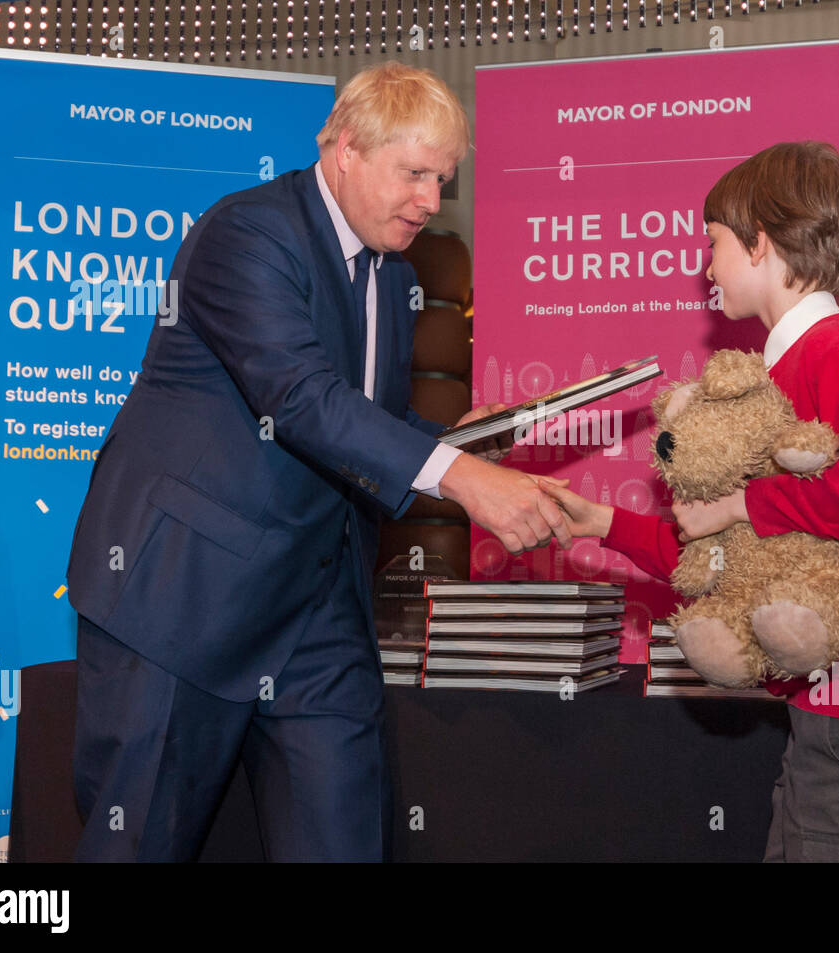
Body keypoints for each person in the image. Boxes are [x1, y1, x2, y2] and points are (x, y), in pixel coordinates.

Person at [65, 62, 568, 862]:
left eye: (443, 180)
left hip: (318, 611)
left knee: (341, 838)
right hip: (181, 598)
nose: (431, 202)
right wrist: (461, 479)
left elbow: (360, 415)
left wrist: (461, 441)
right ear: (344, 152)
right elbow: (297, 398)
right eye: (414, 174)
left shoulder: (392, 274)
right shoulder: (246, 234)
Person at [542, 141, 839, 862]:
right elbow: (733, 551)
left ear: (761, 242)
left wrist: (742, 502)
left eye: (712, 243)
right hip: (829, 712)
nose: (705, 266)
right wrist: (602, 524)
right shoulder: (789, 362)